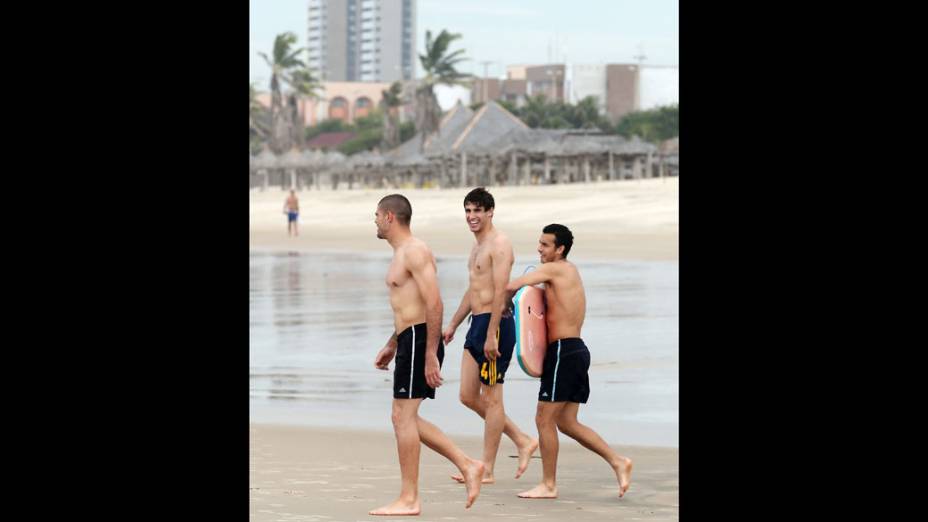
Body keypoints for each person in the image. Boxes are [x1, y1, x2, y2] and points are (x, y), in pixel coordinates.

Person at [370, 194, 485, 516]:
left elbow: (434, 303)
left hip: (422, 339)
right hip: (410, 338)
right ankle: (468, 465)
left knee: (402, 418)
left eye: (377, 215)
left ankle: (410, 498)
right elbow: (410, 306)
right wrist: (393, 343)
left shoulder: (415, 251)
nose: (375, 221)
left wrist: (431, 354)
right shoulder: (400, 254)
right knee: (404, 417)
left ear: (390, 216)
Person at [505, 224, 633, 499]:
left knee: (543, 419)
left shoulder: (556, 268)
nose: (539, 248)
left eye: (545, 245)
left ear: (559, 249)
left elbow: (513, 285)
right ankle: (617, 461)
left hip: (563, 351)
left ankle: (549, 484)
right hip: (576, 350)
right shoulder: (570, 271)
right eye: (539, 243)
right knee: (567, 422)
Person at [442, 188, 538, 485]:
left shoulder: (500, 244)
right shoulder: (477, 246)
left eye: (477, 211)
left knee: (492, 399)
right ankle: (522, 439)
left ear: (490, 212)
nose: (472, 216)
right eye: (468, 211)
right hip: (477, 323)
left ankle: (488, 469)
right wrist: (454, 324)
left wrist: (493, 333)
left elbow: (501, 291)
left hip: (496, 324)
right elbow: (474, 290)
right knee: (467, 396)